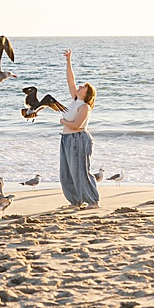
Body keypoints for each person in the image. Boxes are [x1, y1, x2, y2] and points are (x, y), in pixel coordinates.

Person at [59, 48, 100, 209]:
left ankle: (92, 200)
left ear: (87, 93)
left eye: (83, 87)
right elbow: (71, 81)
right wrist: (68, 61)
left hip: (78, 140)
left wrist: (63, 121)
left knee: (81, 171)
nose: (79, 86)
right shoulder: (75, 99)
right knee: (67, 173)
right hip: (66, 139)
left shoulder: (84, 107)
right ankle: (75, 201)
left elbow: (77, 125)